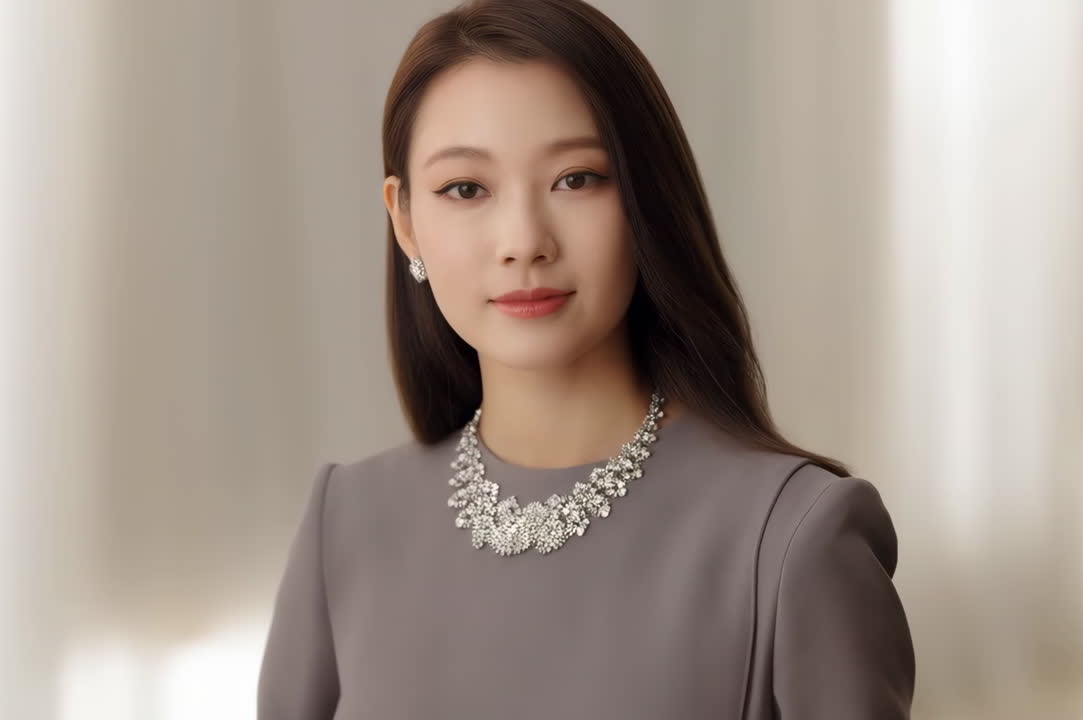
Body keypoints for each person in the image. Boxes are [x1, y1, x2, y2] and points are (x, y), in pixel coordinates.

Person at [257, 0, 915, 717]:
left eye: (576, 178)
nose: (523, 240)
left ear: (644, 199)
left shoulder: (795, 539)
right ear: (406, 221)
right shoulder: (346, 525)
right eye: (466, 189)